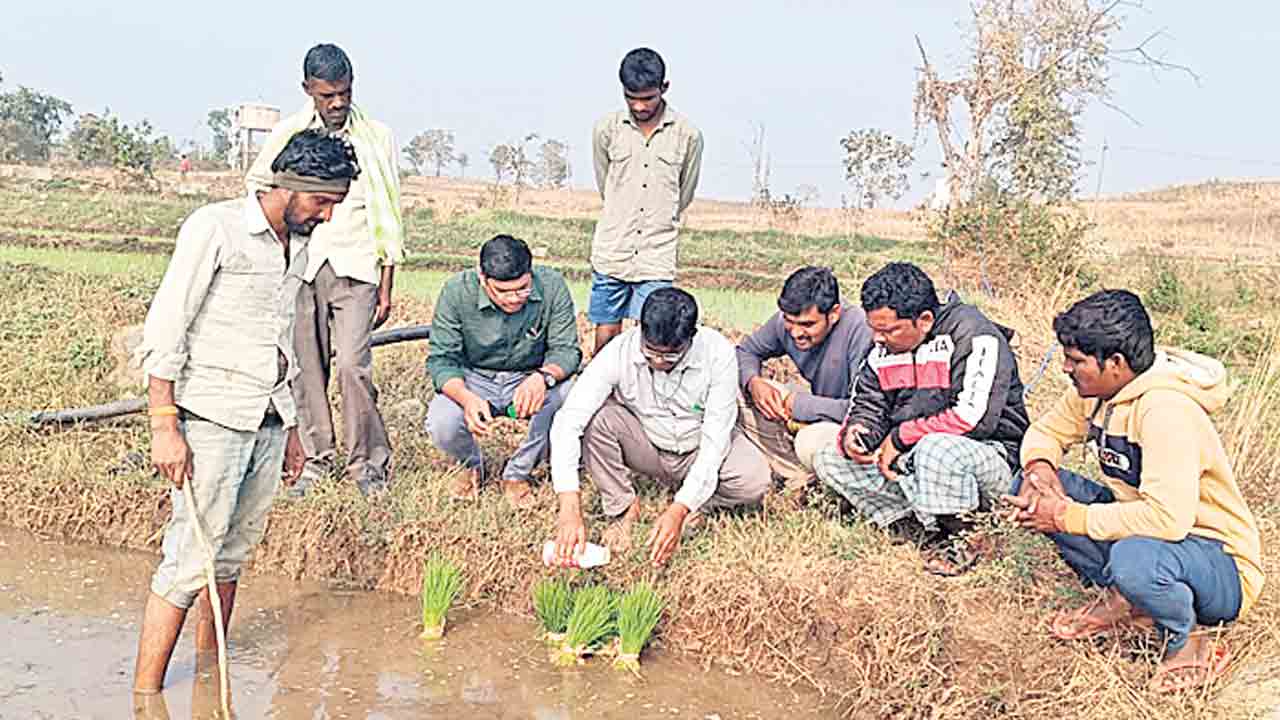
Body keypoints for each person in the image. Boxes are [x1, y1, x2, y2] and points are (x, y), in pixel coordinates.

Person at [131, 129, 358, 695]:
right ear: (288, 186)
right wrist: (164, 424)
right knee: (189, 558)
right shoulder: (216, 228)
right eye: (322, 201)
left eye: (335, 203)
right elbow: (167, 327)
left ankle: (212, 681)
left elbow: (283, 342)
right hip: (212, 416)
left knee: (231, 556)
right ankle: (145, 697)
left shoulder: (297, 244)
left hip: (268, 419)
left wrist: (294, 428)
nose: (327, 215)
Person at [1004, 290, 1264, 693]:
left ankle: (1190, 642)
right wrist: (1040, 470)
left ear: (1116, 363)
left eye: (1076, 361)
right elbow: (1046, 432)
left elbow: (1167, 519)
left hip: (1218, 564)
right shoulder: (1098, 394)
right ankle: (1129, 602)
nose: (1066, 369)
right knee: (1032, 488)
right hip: (1154, 541)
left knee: (1133, 557)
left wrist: (1065, 516)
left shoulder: (1165, 411)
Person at [247, 42, 404, 497]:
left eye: (344, 93)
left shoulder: (377, 136)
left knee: (354, 367)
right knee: (305, 368)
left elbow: (390, 211)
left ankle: (368, 465)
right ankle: (316, 459)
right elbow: (258, 187)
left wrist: (387, 282)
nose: (337, 103)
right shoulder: (288, 133)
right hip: (302, 266)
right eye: (327, 95)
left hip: (357, 266)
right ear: (307, 90)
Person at [813, 262, 1029, 575]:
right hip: (915, 459)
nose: (877, 339)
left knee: (936, 448)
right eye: (874, 329)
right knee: (829, 458)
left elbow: (973, 419)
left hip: (990, 458)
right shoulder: (881, 349)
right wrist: (858, 435)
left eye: (888, 330)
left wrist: (900, 438)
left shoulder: (975, 335)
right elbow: (868, 403)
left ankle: (965, 536)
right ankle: (918, 525)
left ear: (924, 320)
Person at [549, 287, 769, 567]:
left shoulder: (717, 354)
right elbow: (568, 421)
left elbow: (715, 442)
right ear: (641, 330)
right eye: (650, 353)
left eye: (671, 356)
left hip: (697, 445)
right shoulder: (619, 351)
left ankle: (698, 505)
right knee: (596, 420)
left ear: (692, 337)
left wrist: (680, 509)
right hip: (647, 444)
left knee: (754, 479)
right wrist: (569, 506)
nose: (658, 362)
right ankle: (623, 508)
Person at [425, 234, 582, 508]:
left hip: (530, 376)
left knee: (570, 396)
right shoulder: (456, 291)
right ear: (482, 278)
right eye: (502, 291)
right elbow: (442, 360)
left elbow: (567, 351)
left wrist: (543, 378)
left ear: (531, 273)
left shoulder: (552, 286)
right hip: (474, 378)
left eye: (522, 289)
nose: (513, 299)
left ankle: (518, 472)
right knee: (441, 422)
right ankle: (471, 465)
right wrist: (465, 398)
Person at [588, 47, 704, 353]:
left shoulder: (688, 135)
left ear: (664, 88)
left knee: (652, 334)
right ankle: (602, 383)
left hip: (656, 254)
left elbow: (684, 193)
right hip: (612, 249)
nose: (639, 106)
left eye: (648, 98)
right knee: (606, 332)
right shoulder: (607, 129)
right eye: (631, 97)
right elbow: (606, 183)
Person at [736, 266, 872, 499]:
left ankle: (814, 481)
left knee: (809, 441)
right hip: (815, 415)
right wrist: (753, 382)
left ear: (834, 313)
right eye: (790, 322)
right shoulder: (786, 322)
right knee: (738, 391)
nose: (796, 333)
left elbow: (864, 411)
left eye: (808, 325)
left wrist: (798, 405)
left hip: (851, 426)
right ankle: (796, 474)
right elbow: (746, 351)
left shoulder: (861, 330)